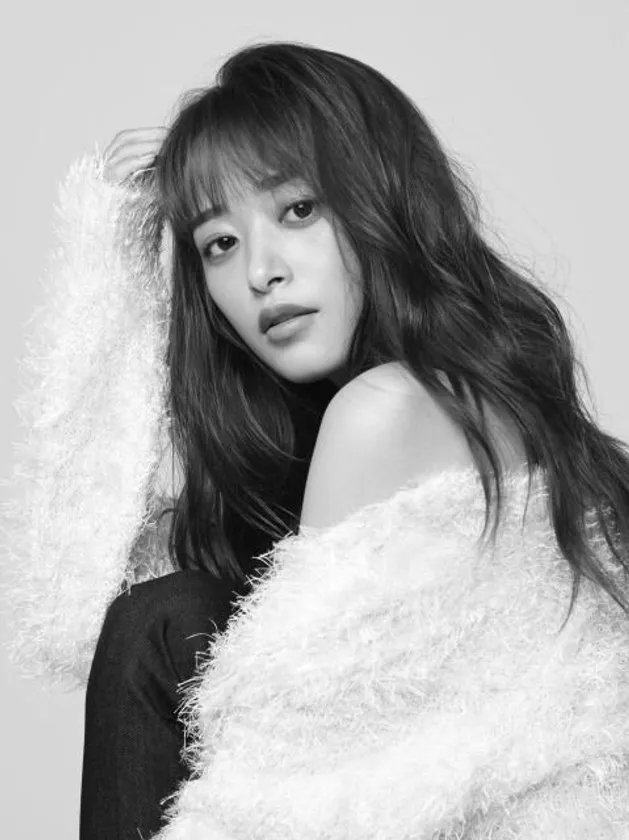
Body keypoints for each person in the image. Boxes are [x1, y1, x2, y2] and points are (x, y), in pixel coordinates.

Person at [5, 40, 629, 839]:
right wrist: (116, 270)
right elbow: (74, 622)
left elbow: (288, 806)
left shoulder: (383, 413)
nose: (260, 272)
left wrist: (104, 276)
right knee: (170, 612)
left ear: (381, 198)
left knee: (161, 620)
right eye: (219, 243)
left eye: (298, 210)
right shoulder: (480, 402)